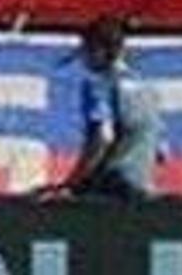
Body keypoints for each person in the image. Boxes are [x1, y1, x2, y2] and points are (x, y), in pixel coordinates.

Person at [56, 17, 162, 200]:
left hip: (111, 188)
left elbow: (103, 137)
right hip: (142, 190)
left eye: (85, 52)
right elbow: (160, 152)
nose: (83, 59)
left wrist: (73, 185)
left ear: (99, 50)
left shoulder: (100, 85)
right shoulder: (148, 88)